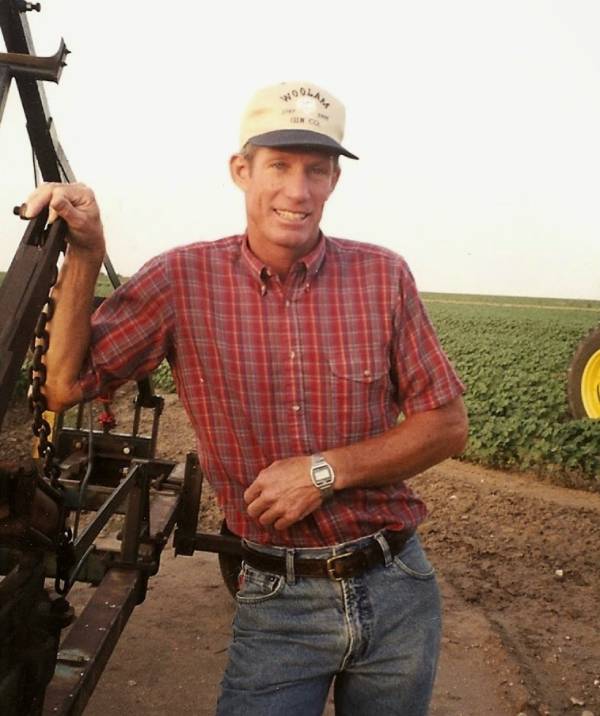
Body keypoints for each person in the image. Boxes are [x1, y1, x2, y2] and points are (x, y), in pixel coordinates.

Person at [25, 80, 468, 715]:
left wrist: (324, 471)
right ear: (242, 170)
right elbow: (65, 385)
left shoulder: (382, 276)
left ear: (334, 181)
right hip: (278, 595)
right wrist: (88, 251)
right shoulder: (182, 279)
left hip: (397, 586)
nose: (298, 190)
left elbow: (447, 425)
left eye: (317, 170)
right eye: (280, 166)